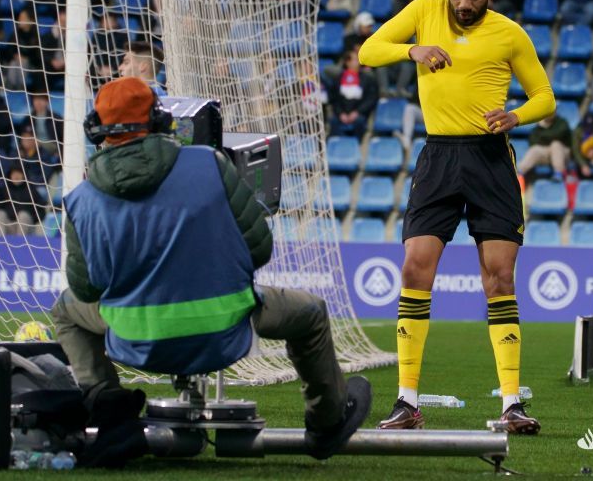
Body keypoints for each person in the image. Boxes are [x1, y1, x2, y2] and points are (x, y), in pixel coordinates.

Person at [51, 77, 371, 460]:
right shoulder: (209, 163)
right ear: (158, 120)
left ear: (95, 129)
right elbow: (260, 249)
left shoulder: (81, 199)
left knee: (65, 310)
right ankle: (326, 426)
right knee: (310, 313)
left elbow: (86, 289)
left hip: (136, 342)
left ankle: (113, 416)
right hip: (224, 331)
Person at [359, 0, 554, 434]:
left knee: (499, 278)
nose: (462, 3)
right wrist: (413, 51)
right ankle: (406, 401)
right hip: (439, 157)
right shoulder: (425, 10)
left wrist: (517, 116)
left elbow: (545, 96)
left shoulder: (510, 33)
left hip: (490, 159)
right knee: (414, 266)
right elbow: (368, 51)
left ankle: (512, 404)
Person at [327, 50, 378, 138]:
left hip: (359, 114)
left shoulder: (367, 79)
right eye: (355, 59)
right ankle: (337, 144)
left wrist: (357, 112)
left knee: (360, 121)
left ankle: (356, 146)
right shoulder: (338, 79)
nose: (358, 61)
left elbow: (371, 98)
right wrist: (340, 113)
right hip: (341, 114)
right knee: (333, 121)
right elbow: (334, 99)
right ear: (347, 62)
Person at [516, 113, 572, 181]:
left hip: (563, 153)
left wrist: (543, 136)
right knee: (535, 149)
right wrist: (548, 135)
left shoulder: (562, 122)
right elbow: (533, 141)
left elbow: (558, 134)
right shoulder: (539, 125)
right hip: (547, 153)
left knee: (555, 144)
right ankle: (518, 173)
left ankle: (559, 173)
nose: (549, 114)